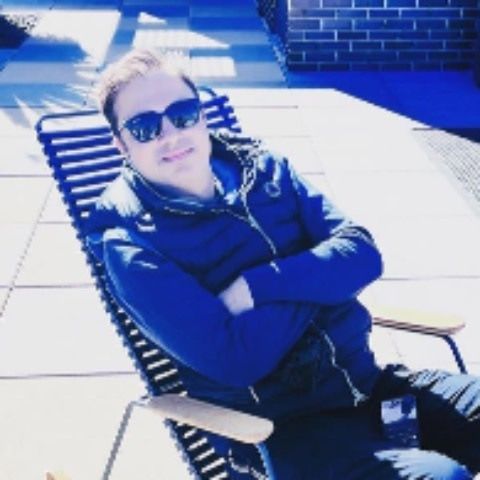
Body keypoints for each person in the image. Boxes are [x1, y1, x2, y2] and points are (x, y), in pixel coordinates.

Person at [85, 49, 480, 479]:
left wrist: (258, 287)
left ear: (201, 116)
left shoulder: (264, 170)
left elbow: (363, 255)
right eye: (144, 127)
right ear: (121, 144)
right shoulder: (132, 245)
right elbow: (236, 360)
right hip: (287, 433)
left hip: (370, 391)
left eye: (182, 114)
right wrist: (321, 279)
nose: (170, 135)